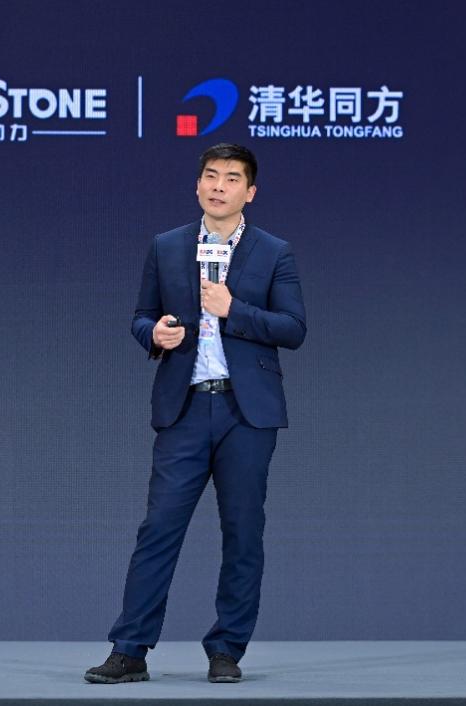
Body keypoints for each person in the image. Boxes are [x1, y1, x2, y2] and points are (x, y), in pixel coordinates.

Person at [85, 143, 306, 684]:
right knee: (158, 528)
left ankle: (227, 649)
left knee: (243, 532)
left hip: (245, 413)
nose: (218, 186)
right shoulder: (167, 246)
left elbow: (293, 328)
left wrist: (234, 310)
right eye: (210, 176)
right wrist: (154, 335)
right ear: (198, 184)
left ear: (249, 192)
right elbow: (141, 315)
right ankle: (129, 650)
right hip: (184, 407)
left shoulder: (274, 252)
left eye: (231, 178)